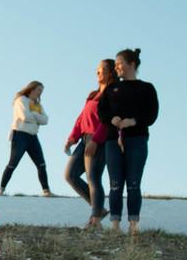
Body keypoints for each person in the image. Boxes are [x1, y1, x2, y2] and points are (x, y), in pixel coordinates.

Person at [97, 48, 159, 235]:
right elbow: (102, 111)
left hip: (137, 139)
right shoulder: (111, 88)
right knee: (115, 183)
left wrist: (134, 121)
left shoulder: (146, 88)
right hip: (113, 140)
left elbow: (152, 113)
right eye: (115, 65)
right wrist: (112, 119)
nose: (116, 68)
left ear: (132, 64)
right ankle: (115, 224)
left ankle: (133, 224)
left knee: (133, 183)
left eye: (119, 63)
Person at [64, 59, 116, 227]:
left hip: (98, 139)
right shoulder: (93, 94)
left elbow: (107, 120)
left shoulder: (112, 93)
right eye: (97, 70)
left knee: (93, 178)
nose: (98, 73)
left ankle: (96, 220)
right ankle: (98, 209)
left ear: (111, 73)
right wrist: (72, 137)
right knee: (70, 175)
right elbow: (82, 118)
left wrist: (96, 140)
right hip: (84, 139)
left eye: (101, 70)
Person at [0, 81, 53, 196]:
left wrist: (34, 116)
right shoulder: (21, 100)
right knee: (13, 163)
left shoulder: (37, 105)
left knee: (41, 164)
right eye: (38, 90)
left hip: (33, 136)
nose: (40, 93)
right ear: (31, 89)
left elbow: (45, 120)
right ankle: (1, 189)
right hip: (20, 135)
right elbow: (24, 116)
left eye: (41, 91)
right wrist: (37, 117)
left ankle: (46, 191)